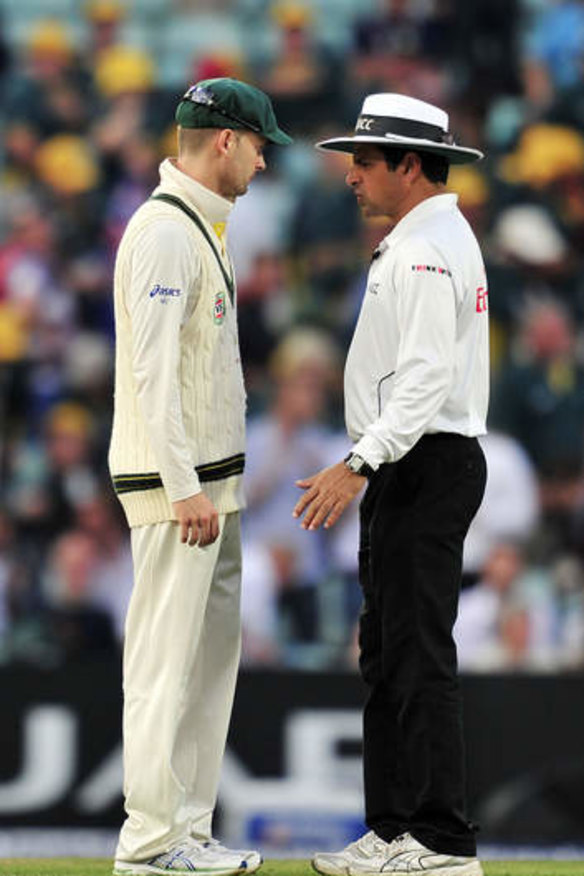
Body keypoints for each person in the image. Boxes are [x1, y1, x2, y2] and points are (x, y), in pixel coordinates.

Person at [293, 93, 489, 876]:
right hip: (414, 458)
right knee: (390, 653)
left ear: (410, 166)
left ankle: (441, 839)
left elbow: (425, 379)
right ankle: (396, 828)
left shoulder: (424, 250)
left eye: (366, 161)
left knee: (414, 653)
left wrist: (358, 462)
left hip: (423, 459)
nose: (351, 176)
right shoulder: (428, 238)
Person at [108, 77, 291, 875]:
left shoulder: (201, 226)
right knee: (163, 666)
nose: (261, 162)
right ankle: (149, 841)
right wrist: (181, 483)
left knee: (207, 669)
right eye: (258, 145)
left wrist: (206, 486)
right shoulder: (165, 232)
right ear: (225, 140)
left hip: (216, 487)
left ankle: (187, 830)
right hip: (177, 489)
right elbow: (151, 373)